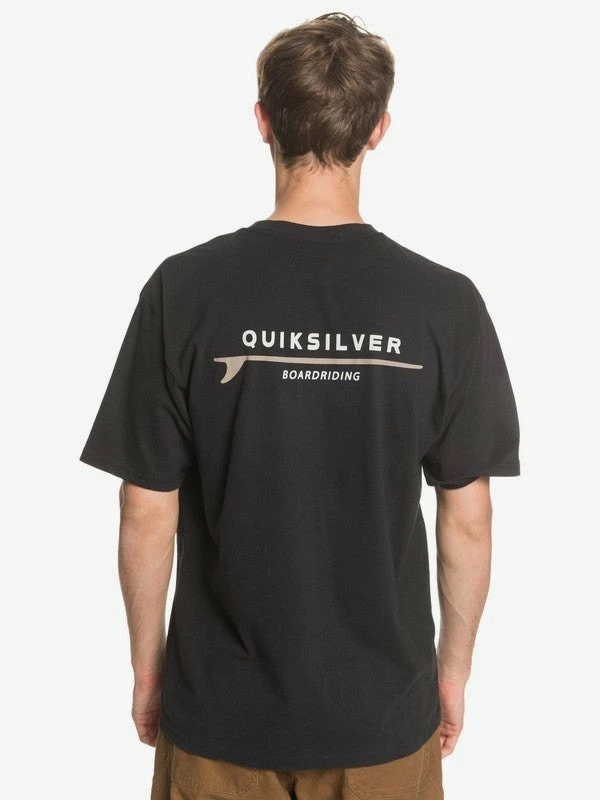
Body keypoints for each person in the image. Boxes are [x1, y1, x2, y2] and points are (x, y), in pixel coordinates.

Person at [80, 11, 520, 800]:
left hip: (218, 716)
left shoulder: (184, 291)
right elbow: (468, 516)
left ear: (263, 121)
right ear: (378, 129)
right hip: (381, 720)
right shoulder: (444, 305)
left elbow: (146, 507)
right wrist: (452, 676)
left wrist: (148, 671)